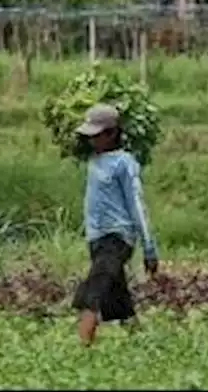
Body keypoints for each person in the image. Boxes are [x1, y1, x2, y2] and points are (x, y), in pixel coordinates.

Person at [70, 103, 159, 346]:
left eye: (97, 135)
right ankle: (142, 343)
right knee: (117, 298)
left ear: (112, 134)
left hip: (117, 237)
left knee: (94, 291)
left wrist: (149, 248)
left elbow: (137, 205)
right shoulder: (94, 161)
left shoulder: (124, 163)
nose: (92, 141)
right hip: (97, 238)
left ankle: (82, 347)